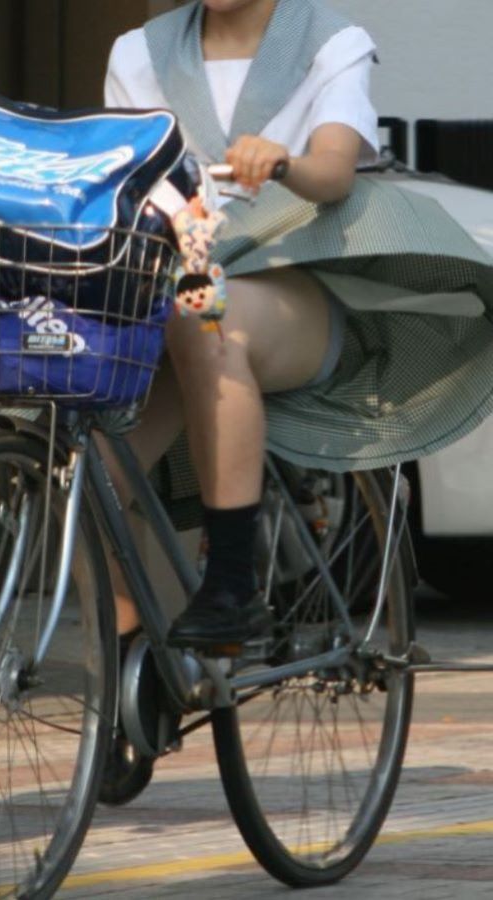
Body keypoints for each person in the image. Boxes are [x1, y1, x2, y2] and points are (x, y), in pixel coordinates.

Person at [104, 0, 493, 652]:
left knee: (208, 317)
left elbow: (335, 172)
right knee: (87, 460)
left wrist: (283, 162)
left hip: (292, 285)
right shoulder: (137, 53)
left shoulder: (331, 41)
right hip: (170, 290)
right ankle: (123, 667)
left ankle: (232, 584)